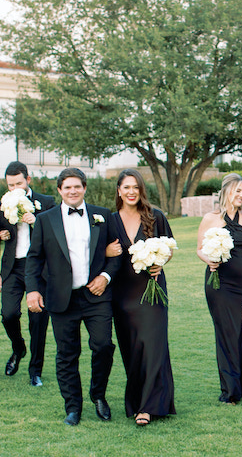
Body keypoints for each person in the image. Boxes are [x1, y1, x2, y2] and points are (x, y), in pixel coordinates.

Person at [25, 168, 119, 426]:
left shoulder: (102, 215)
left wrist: (105, 277)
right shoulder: (45, 219)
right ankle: (73, 407)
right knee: (67, 354)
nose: (72, 191)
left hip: (95, 296)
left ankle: (98, 395)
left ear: (84, 187)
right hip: (60, 297)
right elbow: (34, 258)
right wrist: (32, 290)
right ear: (59, 191)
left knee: (103, 345)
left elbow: (118, 252)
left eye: (77, 186)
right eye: (67, 187)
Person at [105, 169, 175, 426]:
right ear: (119, 190)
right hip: (123, 294)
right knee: (132, 348)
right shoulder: (110, 220)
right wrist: (106, 250)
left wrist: (160, 261)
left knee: (153, 345)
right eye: (126, 187)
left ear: (141, 189)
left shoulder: (155, 217)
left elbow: (169, 248)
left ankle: (148, 406)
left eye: (135, 187)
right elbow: (98, 254)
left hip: (152, 290)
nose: (131, 192)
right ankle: (136, 401)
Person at [197, 173, 242, 406]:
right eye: (236, 191)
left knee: (240, 333)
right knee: (227, 332)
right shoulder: (211, 218)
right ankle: (230, 390)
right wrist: (208, 260)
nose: (240, 195)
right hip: (219, 284)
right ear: (226, 192)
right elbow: (199, 248)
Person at [0, 161, 55, 386]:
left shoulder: (47, 202)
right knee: (9, 314)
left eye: (19, 183)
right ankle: (18, 349)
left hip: (39, 269)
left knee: (38, 320)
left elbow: (57, 235)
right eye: (11, 185)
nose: (15, 189)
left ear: (28, 180)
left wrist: (37, 221)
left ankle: (36, 370)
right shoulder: (3, 203)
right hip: (13, 268)